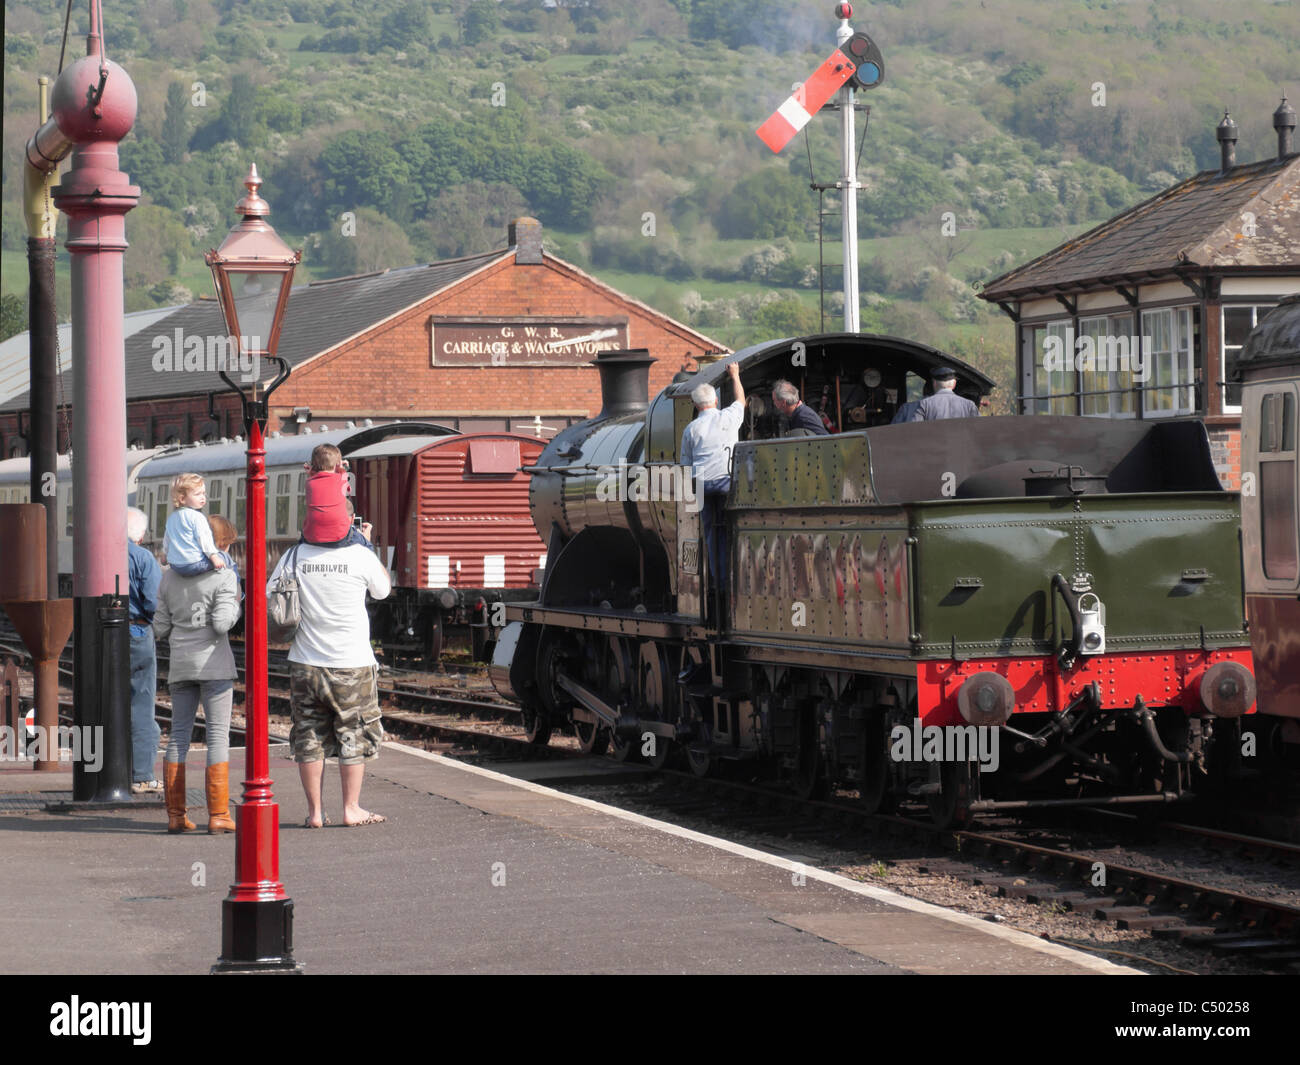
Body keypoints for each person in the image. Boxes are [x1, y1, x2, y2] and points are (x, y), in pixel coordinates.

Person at [269, 519, 392, 828]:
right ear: (347, 523)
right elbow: (382, 591)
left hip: (305, 663)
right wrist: (365, 543)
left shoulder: (294, 556)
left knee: (309, 734)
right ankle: (351, 809)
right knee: (354, 731)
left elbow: (271, 594)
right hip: (352, 663)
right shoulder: (359, 554)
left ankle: (315, 813)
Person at [154, 515, 241, 833]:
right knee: (217, 737)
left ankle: (176, 816)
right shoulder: (224, 576)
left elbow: (160, 628)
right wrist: (234, 606)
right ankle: (218, 815)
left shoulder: (169, 578)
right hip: (214, 665)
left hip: (181, 665)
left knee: (178, 737)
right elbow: (221, 624)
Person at [680, 361, 745, 591]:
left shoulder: (690, 429)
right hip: (725, 481)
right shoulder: (727, 417)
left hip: (702, 484)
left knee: (711, 533)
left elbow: (686, 464)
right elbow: (741, 402)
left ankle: (719, 584)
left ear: (696, 406)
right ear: (715, 401)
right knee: (733, 528)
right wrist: (735, 376)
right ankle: (736, 577)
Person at [127, 507, 162, 795]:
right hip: (137, 632)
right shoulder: (142, 557)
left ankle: (100, 769)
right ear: (140, 534)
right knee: (141, 701)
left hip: (101, 635)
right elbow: (154, 602)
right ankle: (141, 774)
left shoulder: (101, 551)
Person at [302, 444, 370, 548]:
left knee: (301, 541)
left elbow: (318, 478)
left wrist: (311, 472)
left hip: (312, 536)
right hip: (339, 535)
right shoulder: (341, 479)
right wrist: (342, 469)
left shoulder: (309, 483)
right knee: (365, 543)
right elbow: (347, 491)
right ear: (337, 464)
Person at [162, 473, 226, 576]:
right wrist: (214, 557)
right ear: (182, 499)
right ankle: (237, 586)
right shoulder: (197, 517)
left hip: (176, 565)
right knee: (224, 556)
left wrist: (164, 555)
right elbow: (204, 539)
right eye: (197, 494)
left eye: (204, 493)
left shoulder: (171, 518)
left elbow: (167, 539)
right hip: (195, 564)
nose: (203, 497)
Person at [910, 366, 979, 421]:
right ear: (954, 384)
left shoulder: (924, 404)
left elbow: (916, 429)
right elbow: (978, 428)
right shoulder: (969, 405)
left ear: (934, 383)